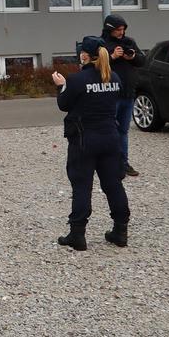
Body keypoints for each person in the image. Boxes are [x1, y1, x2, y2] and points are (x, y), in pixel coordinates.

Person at [51, 36, 130, 250]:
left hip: (84, 139)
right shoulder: (114, 77)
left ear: (85, 55)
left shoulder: (77, 80)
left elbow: (64, 104)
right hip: (110, 138)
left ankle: (77, 235)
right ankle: (121, 231)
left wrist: (61, 86)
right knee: (113, 184)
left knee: (82, 186)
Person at [100, 13, 145, 177]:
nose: (121, 32)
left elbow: (142, 61)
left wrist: (132, 57)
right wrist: (112, 57)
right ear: (109, 29)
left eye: (123, 29)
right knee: (108, 130)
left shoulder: (129, 42)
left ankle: (123, 163)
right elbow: (95, 66)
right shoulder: (102, 44)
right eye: (118, 29)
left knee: (123, 131)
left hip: (128, 94)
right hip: (110, 95)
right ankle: (106, 163)